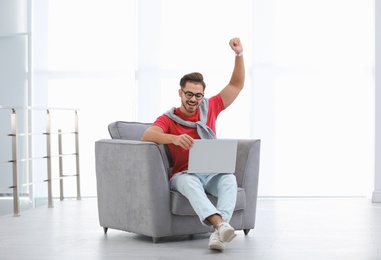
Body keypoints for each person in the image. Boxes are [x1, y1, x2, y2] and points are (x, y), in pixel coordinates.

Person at [141, 37, 244, 251]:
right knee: (189, 184)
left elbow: (236, 84)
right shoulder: (168, 118)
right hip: (184, 175)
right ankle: (220, 225)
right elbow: (148, 135)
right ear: (180, 93)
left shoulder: (211, 107)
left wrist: (239, 54)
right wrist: (173, 138)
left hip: (211, 173)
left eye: (198, 95)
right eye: (189, 94)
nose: (193, 99)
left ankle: (218, 233)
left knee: (229, 179)